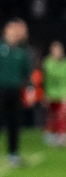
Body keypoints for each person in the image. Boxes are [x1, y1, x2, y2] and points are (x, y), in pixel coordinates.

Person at [0, 19, 32, 167]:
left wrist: (31, 89)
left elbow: (27, 73)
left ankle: (13, 153)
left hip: (14, 91)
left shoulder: (21, 52)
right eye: (11, 30)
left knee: (14, 123)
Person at [42, 41, 66, 147]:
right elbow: (45, 80)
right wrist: (45, 94)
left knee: (62, 115)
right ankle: (51, 134)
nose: (58, 52)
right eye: (55, 50)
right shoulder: (47, 63)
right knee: (51, 116)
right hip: (51, 93)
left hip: (64, 93)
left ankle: (62, 134)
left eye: (59, 50)